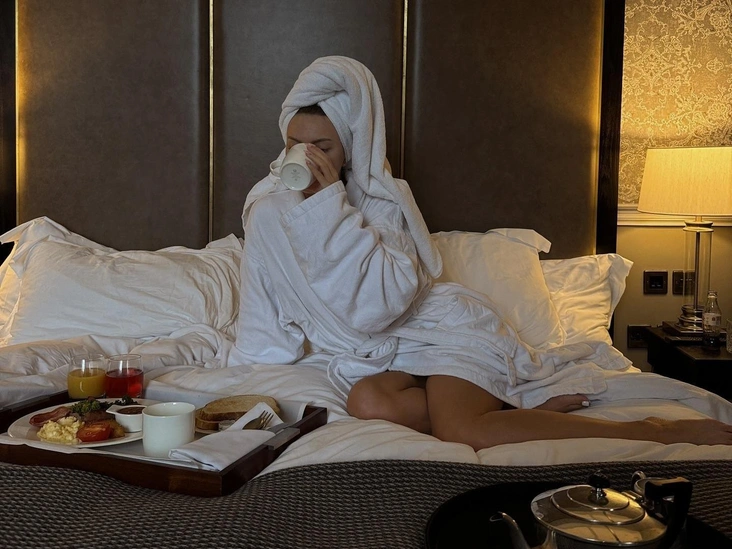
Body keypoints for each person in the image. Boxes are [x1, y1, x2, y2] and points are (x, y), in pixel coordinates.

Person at [231, 56, 732, 449]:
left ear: (349, 147)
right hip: (385, 354)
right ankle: (516, 411)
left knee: (463, 431)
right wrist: (240, 370)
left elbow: (380, 306)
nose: (307, 157)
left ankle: (652, 430)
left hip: (440, 329)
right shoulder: (268, 210)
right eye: (296, 143)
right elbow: (263, 314)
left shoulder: (381, 202)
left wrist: (328, 208)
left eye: (323, 147)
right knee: (369, 402)